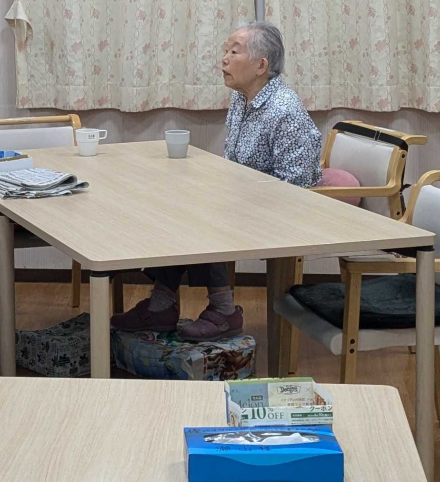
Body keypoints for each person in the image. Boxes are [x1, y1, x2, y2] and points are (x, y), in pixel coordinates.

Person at [111, 20, 323, 340]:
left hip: (281, 208)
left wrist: (237, 196)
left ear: (261, 65)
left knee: (200, 215)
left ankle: (219, 309)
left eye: (234, 52)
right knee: (176, 202)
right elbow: (234, 164)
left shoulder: (284, 109)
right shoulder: (241, 98)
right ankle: (163, 303)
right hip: (246, 196)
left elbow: (297, 186)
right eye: (225, 51)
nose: (224, 59)